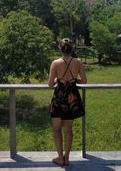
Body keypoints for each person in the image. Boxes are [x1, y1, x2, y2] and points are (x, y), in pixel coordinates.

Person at [47, 38, 87, 166]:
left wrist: (58, 81)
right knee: (68, 130)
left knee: (57, 129)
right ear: (72, 49)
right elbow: (84, 81)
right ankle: (67, 158)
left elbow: (49, 84)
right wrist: (74, 81)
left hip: (59, 97)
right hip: (72, 97)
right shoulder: (78, 62)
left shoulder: (55, 63)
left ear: (60, 48)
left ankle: (60, 158)